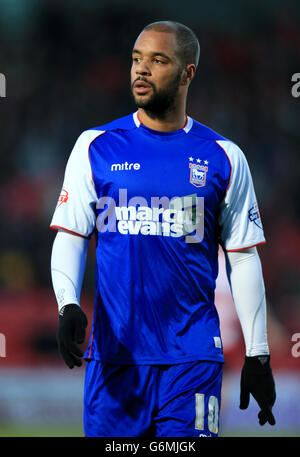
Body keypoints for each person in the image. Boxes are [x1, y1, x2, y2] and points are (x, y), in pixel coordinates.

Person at [50, 21, 276, 437]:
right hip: (115, 360)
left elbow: (242, 257)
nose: (141, 70)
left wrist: (258, 353)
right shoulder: (94, 146)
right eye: (137, 59)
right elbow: (71, 235)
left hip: (192, 361)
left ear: (188, 72)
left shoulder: (223, 157)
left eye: (158, 60)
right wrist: (67, 304)